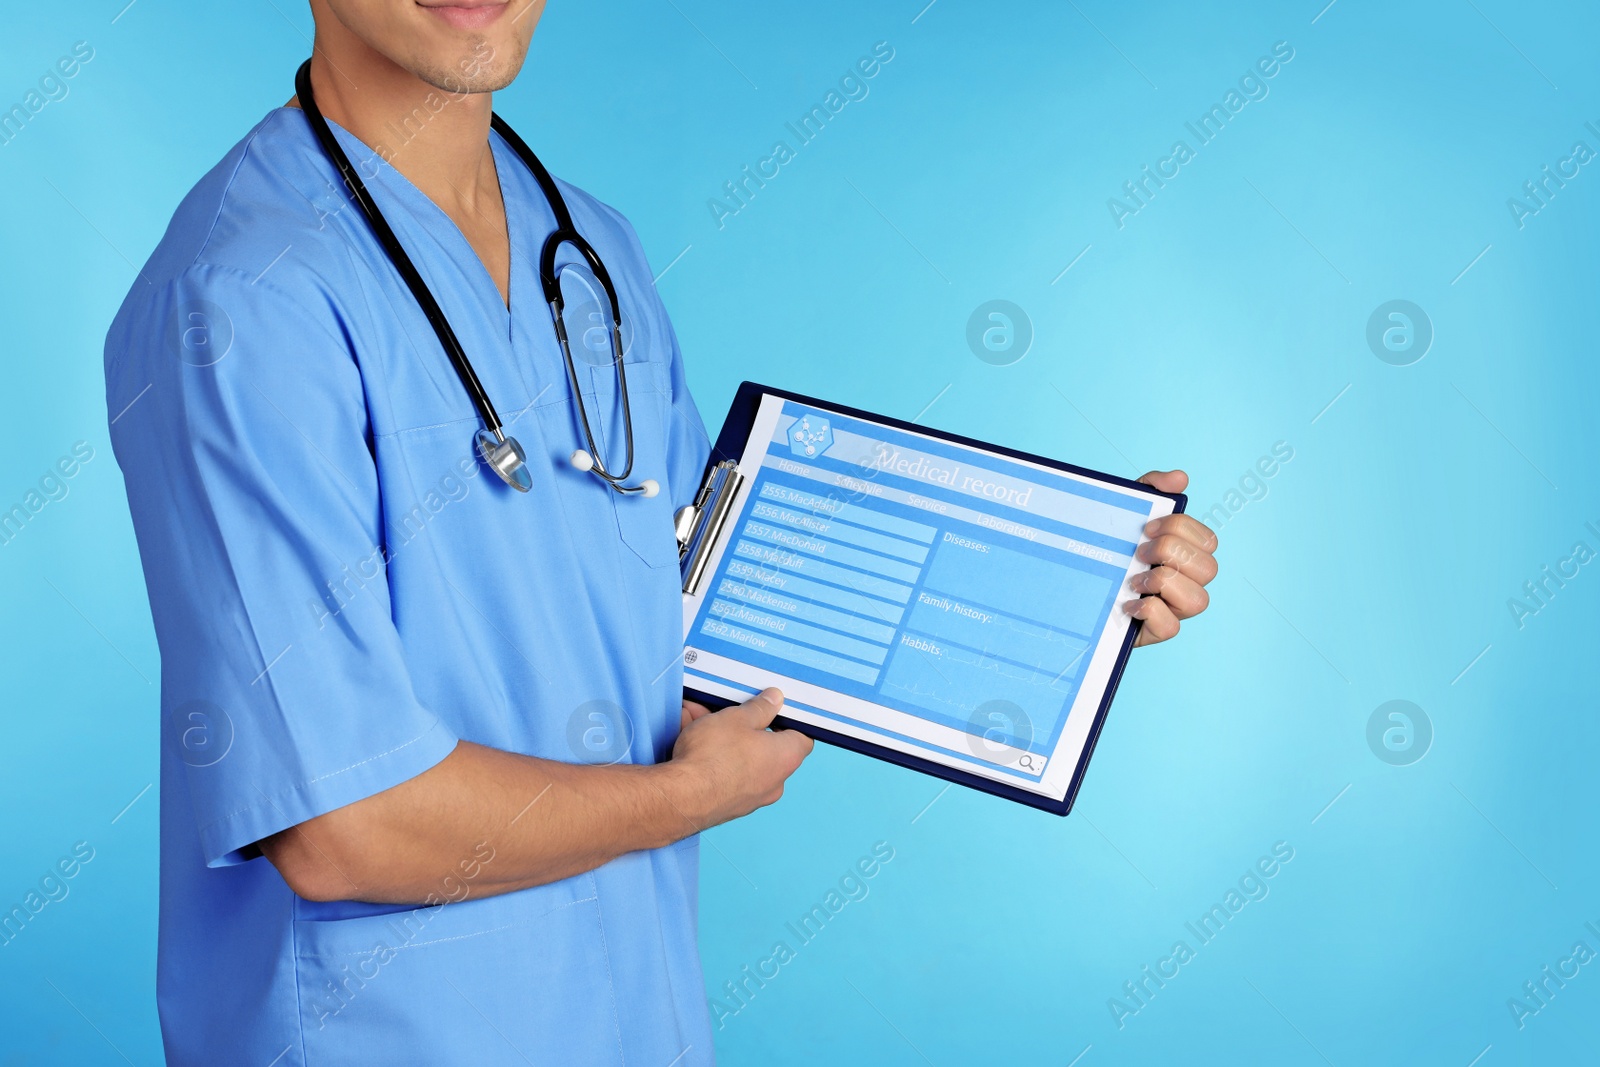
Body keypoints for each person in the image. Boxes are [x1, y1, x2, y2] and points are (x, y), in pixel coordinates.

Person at [103, 1, 1219, 1063]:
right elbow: (345, 826)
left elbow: (714, 622)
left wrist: (1067, 589)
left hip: (633, 1015)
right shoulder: (242, 300)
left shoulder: (590, 254)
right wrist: (688, 798)